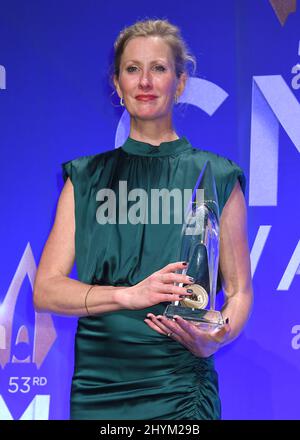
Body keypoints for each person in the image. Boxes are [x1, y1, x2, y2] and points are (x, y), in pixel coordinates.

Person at [33, 18, 253, 420]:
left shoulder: (218, 176)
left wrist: (216, 338)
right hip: (100, 386)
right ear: (117, 84)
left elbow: (239, 293)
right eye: (132, 69)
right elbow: (45, 290)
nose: (145, 81)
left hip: (181, 385)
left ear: (181, 83)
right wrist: (125, 295)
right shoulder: (85, 178)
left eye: (159, 68)